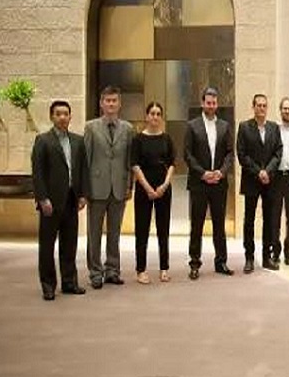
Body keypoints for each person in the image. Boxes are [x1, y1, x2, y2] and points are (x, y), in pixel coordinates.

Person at [31, 100, 89, 300]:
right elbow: (38, 172)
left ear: (70, 116)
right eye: (58, 114)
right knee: (47, 246)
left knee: (69, 244)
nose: (63, 117)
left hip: (72, 200)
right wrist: (42, 198)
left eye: (66, 114)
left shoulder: (78, 141)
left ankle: (69, 282)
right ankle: (48, 285)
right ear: (52, 117)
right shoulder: (43, 140)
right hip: (50, 202)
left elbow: (83, 170)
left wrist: (83, 194)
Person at [84, 85, 134, 289]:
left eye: (114, 100)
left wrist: (130, 185)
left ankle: (112, 270)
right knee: (94, 233)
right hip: (96, 187)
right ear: (101, 104)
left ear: (120, 104)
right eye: (108, 100)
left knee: (115, 233)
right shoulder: (91, 127)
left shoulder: (128, 129)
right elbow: (86, 160)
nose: (111, 104)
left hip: (119, 187)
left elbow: (130, 160)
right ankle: (95, 272)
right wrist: (84, 190)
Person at [184, 87, 234, 280]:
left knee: (219, 225)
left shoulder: (224, 126)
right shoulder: (192, 126)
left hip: (219, 183)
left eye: (214, 103)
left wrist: (221, 172)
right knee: (197, 225)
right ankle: (194, 263)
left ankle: (221, 262)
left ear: (217, 104)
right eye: (208, 102)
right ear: (202, 103)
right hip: (199, 183)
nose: (211, 105)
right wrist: (203, 173)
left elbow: (230, 153)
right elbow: (187, 154)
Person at [130, 102, 176, 284]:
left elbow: (172, 164)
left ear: (161, 117)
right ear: (147, 116)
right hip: (144, 188)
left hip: (163, 188)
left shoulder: (167, 138)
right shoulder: (138, 139)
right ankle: (141, 270)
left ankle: (164, 268)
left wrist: (164, 185)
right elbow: (135, 165)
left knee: (163, 230)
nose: (155, 117)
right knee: (142, 230)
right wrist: (148, 188)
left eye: (158, 114)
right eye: (152, 113)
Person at [236, 94, 283, 272]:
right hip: (251, 180)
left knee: (269, 220)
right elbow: (242, 154)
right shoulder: (244, 127)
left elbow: (278, 152)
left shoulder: (274, 127)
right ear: (253, 107)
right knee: (249, 220)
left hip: (270, 181)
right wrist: (258, 172)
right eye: (258, 105)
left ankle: (266, 257)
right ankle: (249, 258)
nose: (261, 108)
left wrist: (267, 171)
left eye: (264, 105)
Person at [272, 97, 289, 265]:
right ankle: (276, 251)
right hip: (276, 178)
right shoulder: (274, 129)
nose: (287, 111)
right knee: (275, 217)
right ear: (280, 110)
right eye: (285, 108)